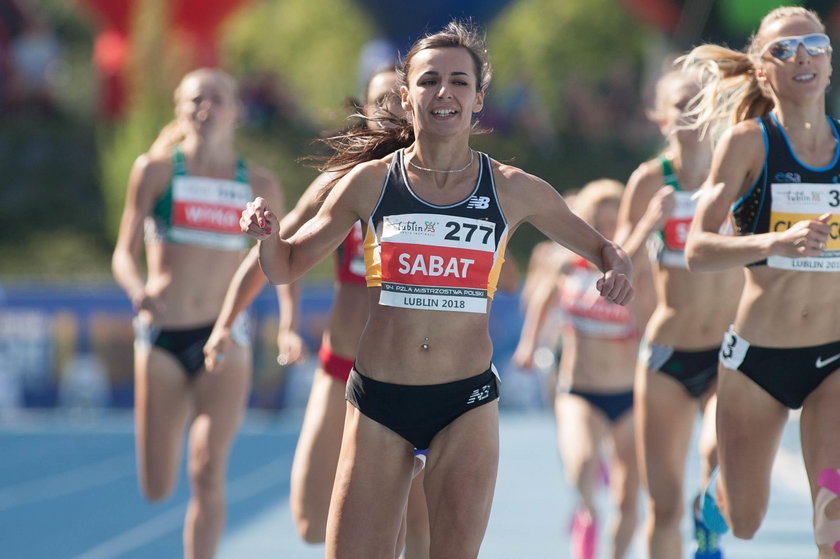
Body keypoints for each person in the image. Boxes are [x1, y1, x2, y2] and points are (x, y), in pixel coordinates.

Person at [239, 20, 633, 559]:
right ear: (406, 97)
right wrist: (265, 235)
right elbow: (286, 264)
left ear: (478, 102)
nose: (443, 92)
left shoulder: (514, 189)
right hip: (380, 399)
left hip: (464, 403)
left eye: (459, 82)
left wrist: (618, 270)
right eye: (428, 81)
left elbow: (606, 249)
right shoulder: (370, 182)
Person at [204, 66, 437, 559]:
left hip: (413, 378)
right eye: (380, 101)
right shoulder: (342, 180)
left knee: (415, 531)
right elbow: (279, 246)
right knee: (312, 521)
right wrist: (225, 324)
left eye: (400, 99)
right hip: (341, 369)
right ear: (365, 111)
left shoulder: (441, 183)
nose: (391, 110)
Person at [679, 7, 840, 557]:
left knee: (833, 516)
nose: (802, 57)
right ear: (761, 67)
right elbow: (696, 250)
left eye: (814, 45)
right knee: (745, 521)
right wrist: (774, 244)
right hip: (758, 360)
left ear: (830, 61)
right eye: (784, 50)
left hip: (833, 360)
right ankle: (711, 507)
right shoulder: (748, 143)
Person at [111, 68, 290, 559]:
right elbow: (123, 252)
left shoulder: (258, 183)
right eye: (195, 100)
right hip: (162, 336)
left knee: (208, 470)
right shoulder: (155, 171)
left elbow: (282, 259)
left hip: (225, 339)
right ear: (179, 109)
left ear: (236, 111)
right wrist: (136, 290)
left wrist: (289, 321)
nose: (205, 108)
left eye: (216, 99)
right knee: (156, 486)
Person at [614, 67, 745, 559]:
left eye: (699, 101)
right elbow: (616, 258)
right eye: (680, 105)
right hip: (668, 353)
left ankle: (708, 519)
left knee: (717, 453)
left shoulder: (737, 173)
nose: (691, 112)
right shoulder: (651, 180)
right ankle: (685, 523)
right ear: (660, 117)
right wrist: (652, 220)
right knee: (662, 507)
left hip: (729, 353)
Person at [513, 179, 640, 559]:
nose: (608, 232)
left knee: (628, 497)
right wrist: (529, 344)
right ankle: (586, 514)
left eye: (614, 223)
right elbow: (540, 301)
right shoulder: (565, 263)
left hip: (631, 393)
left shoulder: (637, 267)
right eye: (599, 224)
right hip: (579, 389)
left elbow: (654, 318)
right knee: (581, 466)